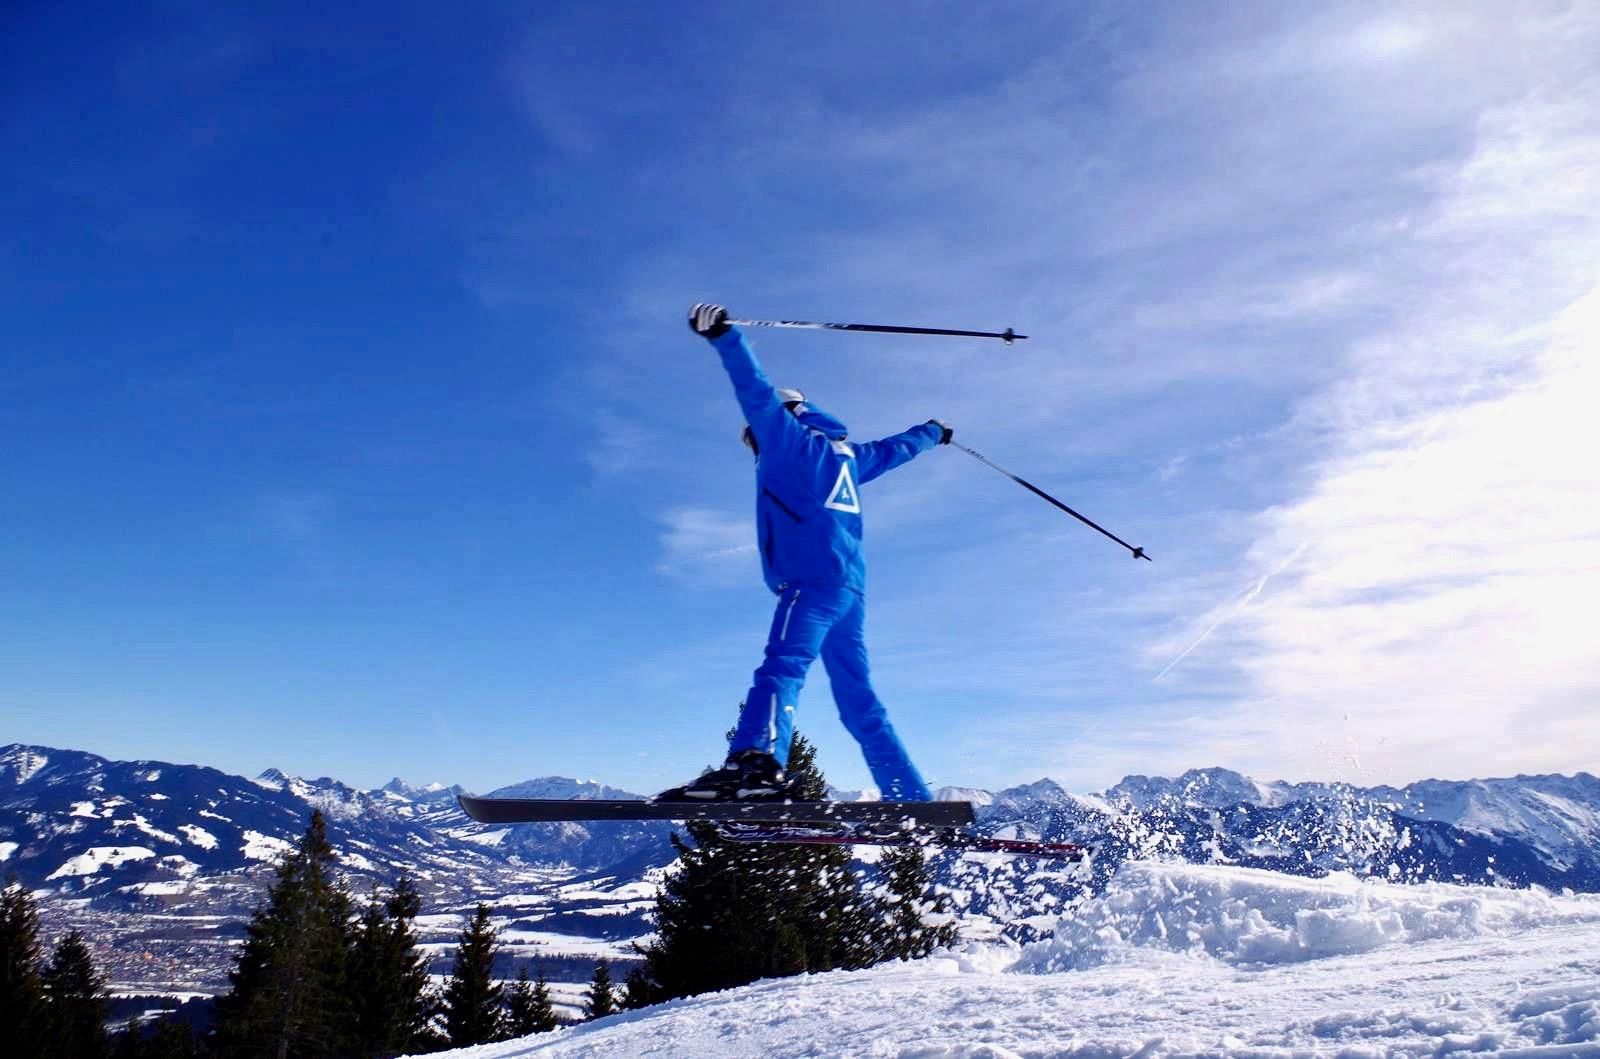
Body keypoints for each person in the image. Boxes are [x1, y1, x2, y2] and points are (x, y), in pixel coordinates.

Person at [658, 303, 952, 804]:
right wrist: (934, 431)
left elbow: (754, 390)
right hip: (849, 591)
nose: (754, 446)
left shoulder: (785, 440)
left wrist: (725, 337)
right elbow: (898, 448)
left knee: (783, 664)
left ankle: (756, 764)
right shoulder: (850, 457)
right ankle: (909, 798)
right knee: (858, 699)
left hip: (811, 583)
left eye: (752, 436)